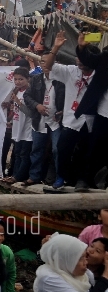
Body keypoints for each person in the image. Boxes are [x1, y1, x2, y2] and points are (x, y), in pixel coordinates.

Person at [45, 31, 98, 190]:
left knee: (86, 153)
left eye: (84, 58)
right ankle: (61, 177)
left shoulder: (100, 74)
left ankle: (82, 180)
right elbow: (48, 66)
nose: (79, 61)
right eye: (79, 58)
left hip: (91, 120)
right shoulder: (70, 71)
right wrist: (55, 47)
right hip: (71, 119)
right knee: (62, 150)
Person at [23, 51, 65, 186]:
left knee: (57, 149)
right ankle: (34, 176)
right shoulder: (36, 79)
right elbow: (27, 97)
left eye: (49, 61)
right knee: (37, 149)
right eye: (42, 61)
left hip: (56, 121)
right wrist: (37, 106)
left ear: (55, 63)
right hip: (39, 120)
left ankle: (60, 177)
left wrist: (63, 111)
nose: (46, 64)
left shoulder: (62, 81)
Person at [74, 32, 108, 189]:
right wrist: (82, 47)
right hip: (103, 112)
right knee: (94, 147)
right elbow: (89, 60)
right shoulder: (106, 57)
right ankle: (85, 179)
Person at [4, 67, 34, 183]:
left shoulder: (30, 93)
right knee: (17, 153)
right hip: (17, 128)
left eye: (21, 79)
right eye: (15, 79)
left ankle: (20, 176)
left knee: (24, 154)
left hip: (27, 129)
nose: (17, 82)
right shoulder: (17, 91)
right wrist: (9, 106)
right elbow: (15, 110)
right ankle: (15, 175)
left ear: (28, 79)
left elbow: (31, 113)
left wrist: (18, 102)